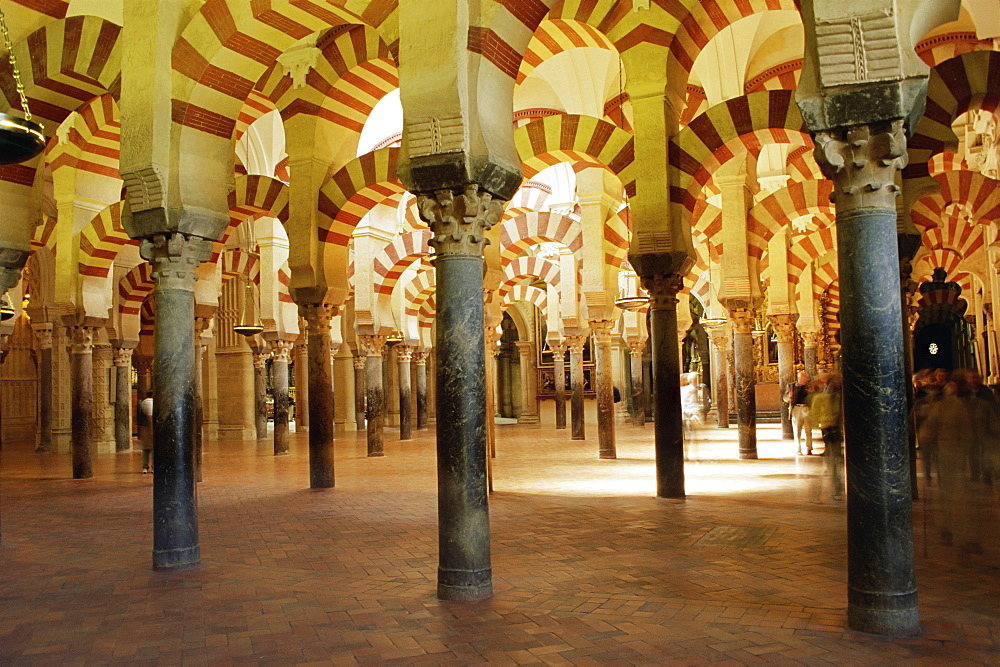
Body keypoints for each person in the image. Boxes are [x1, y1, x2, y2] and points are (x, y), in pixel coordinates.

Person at [811, 373, 844, 500]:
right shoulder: (831, 397)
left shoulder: (825, 398)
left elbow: (819, 415)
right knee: (834, 462)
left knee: (834, 462)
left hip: (831, 432)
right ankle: (836, 488)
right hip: (831, 432)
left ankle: (836, 488)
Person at [786, 371, 814, 455]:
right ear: (799, 378)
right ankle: (798, 449)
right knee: (797, 429)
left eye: (806, 378)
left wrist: (811, 392)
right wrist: (789, 396)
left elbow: (813, 397)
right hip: (796, 408)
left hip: (807, 408)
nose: (805, 380)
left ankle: (809, 448)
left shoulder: (809, 386)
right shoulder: (791, 386)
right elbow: (785, 398)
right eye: (803, 378)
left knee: (808, 429)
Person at [138, 391, 153, 474]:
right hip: (149, 428)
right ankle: (153, 467)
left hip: (144, 428)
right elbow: (149, 416)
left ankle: (145, 467)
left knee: (145, 449)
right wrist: (151, 429)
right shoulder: (150, 403)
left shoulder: (143, 403)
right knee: (153, 449)